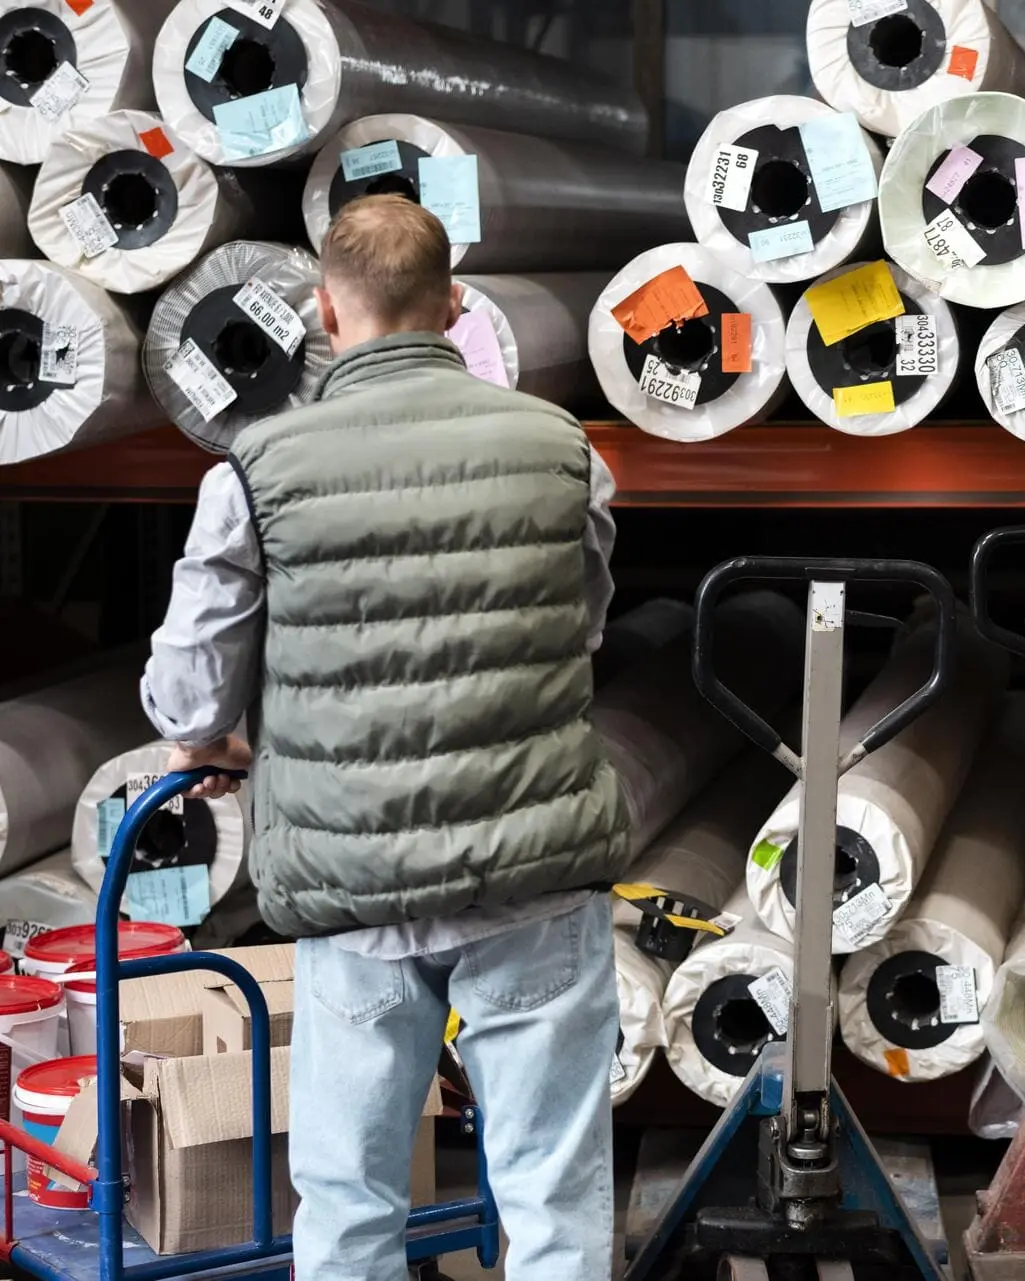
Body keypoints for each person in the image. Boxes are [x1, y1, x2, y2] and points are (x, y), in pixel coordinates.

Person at [141, 195, 629, 1280]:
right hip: (532, 877)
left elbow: (187, 693)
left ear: (324, 310)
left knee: (350, 1202)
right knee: (552, 1194)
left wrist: (211, 739)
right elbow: (580, 624)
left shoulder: (255, 469)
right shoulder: (562, 449)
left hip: (353, 887)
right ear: (456, 306)